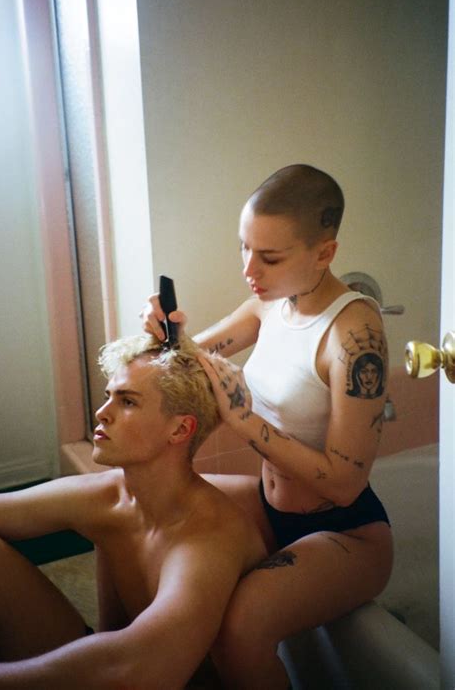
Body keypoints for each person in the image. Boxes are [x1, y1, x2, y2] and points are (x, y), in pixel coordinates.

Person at [144, 164, 393, 689]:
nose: (249, 269)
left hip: (345, 532)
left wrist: (244, 421)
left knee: (238, 628)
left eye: (270, 256)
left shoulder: (354, 334)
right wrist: (167, 339)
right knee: (155, 517)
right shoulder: (270, 299)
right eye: (244, 248)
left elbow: (346, 483)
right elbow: (195, 360)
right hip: (269, 504)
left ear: (324, 252)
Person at [0, 334, 266, 689]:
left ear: (180, 429)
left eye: (127, 401)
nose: (102, 413)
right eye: (108, 396)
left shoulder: (209, 534)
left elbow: (140, 669)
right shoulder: (109, 495)